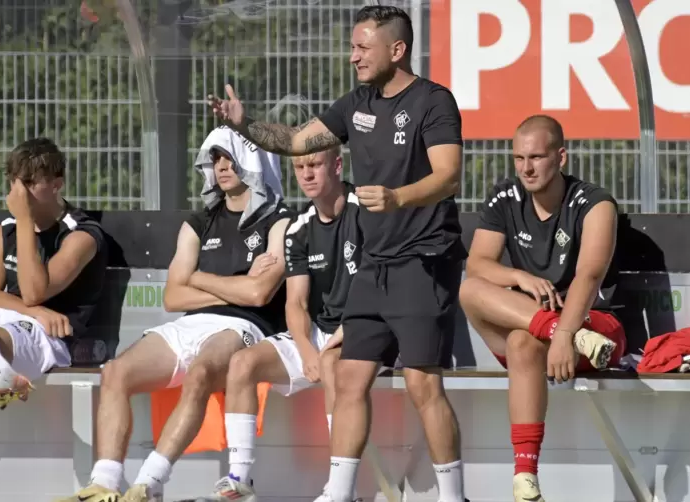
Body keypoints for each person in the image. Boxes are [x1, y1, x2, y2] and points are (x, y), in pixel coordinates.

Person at [208, 6, 467, 502]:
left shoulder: (434, 102)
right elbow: (296, 141)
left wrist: (398, 198)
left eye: (362, 48)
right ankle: (340, 493)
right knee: (347, 376)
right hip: (374, 267)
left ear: (397, 49)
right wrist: (245, 125)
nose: (353, 57)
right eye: (352, 47)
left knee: (422, 386)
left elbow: (448, 176)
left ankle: (454, 496)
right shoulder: (355, 103)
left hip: (422, 261)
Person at [57, 126, 292, 502]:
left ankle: (148, 483)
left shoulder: (277, 219)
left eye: (229, 156)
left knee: (200, 371)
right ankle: (104, 483)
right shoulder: (199, 222)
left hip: (245, 326)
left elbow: (260, 294)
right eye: (214, 158)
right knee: (116, 372)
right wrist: (232, 284)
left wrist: (199, 279)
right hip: (192, 323)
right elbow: (173, 296)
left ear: (250, 160)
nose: (221, 166)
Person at [459, 115, 626, 502]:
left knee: (521, 343)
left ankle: (524, 473)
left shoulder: (595, 202)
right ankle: (526, 485)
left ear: (561, 157)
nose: (526, 168)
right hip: (550, 334)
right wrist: (519, 277)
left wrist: (567, 333)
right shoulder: (504, 197)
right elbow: (479, 263)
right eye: (518, 158)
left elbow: (588, 276)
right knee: (472, 290)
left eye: (536, 157)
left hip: (593, 330)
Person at [196, 145, 374, 501]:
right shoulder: (299, 229)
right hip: (320, 332)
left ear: (337, 165)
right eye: (299, 167)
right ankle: (239, 480)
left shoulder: (366, 212)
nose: (307, 174)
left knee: (333, 362)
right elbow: (295, 302)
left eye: (315, 165)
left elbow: (378, 286)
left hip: (368, 327)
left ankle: (342, 491)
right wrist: (306, 348)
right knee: (243, 362)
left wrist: (330, 345)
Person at [0, 137, 108, 502]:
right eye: (16, 180)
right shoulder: (4, 231)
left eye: (30, 182)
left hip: (48, 338)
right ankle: (1, 371)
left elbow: (33, 290)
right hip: (19, 319)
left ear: (57, 184)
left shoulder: (82, 234)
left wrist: (26, 220)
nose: (20, 190)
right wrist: (31, 309)